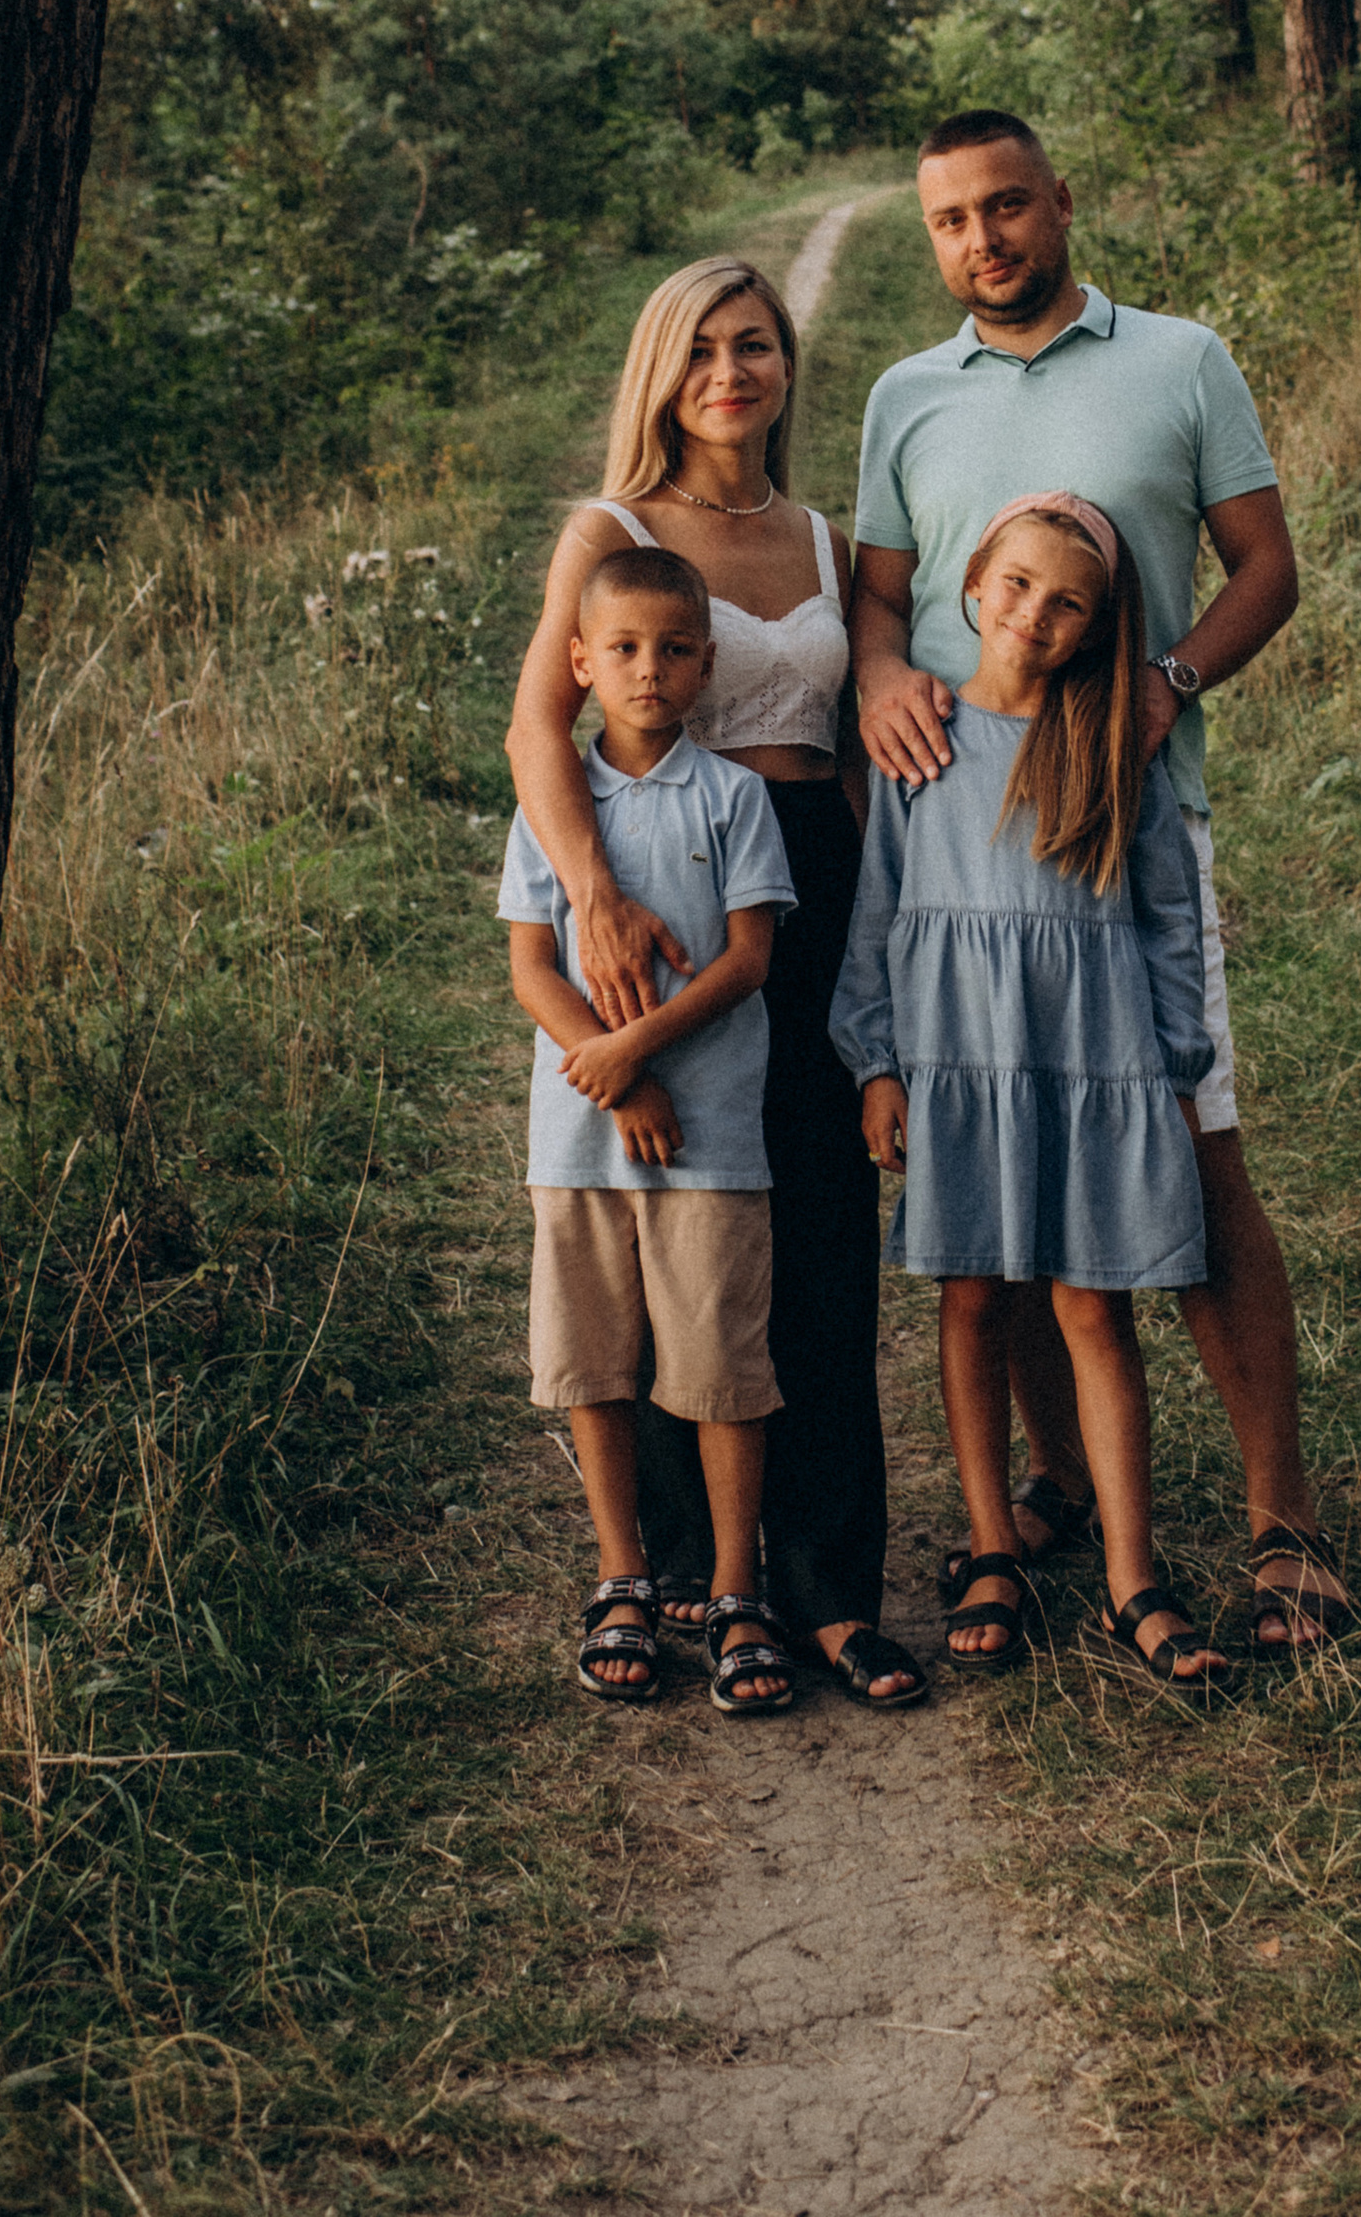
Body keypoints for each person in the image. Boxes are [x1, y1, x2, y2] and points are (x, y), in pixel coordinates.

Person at [851, 109, 1354, 1659]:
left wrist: (1174, 679)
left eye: (1006, 205)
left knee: (1194, 1151)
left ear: (1060, 203)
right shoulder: (905, 396)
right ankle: (1050, 1491)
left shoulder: (1181, 359)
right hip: (951, 842)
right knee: (993, 1167)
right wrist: (879, 674)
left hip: (1127, 831)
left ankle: (1285, 1523)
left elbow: (1266, 562)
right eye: (950, 220)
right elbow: (880, 595)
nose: (982, 237)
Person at [505, 256, 926, 1711]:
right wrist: (593, 894)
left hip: (802, 882)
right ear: (660, 374)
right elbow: (537, 727)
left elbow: (867, 731)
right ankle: (683, 1570)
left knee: (812, 1232)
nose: (729, 373)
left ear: (786, 362)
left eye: (753, 345)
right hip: (659, 893)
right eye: (700, 351)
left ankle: (823, 1588)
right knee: (666, 1218)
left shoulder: (823, 537)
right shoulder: (613, 529)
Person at [833, 494, 1228, 1696]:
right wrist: (879, 1061)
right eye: (1016, 588)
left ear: (1098, 624)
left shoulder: (1112, 745)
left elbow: (1168, 920)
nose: (1035, 616)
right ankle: (993, 1548)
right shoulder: (922, 737)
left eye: (1068, 603)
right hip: (961, 1056)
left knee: (1095, 1312)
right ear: (971, 588)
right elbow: (878, 916)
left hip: (1091, 1058)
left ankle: (1129, 1576)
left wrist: (1172, 1067)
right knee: (972, 1303)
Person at [501, 538, 798, 1717]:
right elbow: (532, 968)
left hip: (713, 1137)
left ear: (707, 663)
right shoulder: (550, 803)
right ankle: (620, 1571)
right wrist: (616, 1078)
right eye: (622, 649)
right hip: (579, 1142)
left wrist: (643, 1047)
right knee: (596, 1361)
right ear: (579, 661)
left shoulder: (733, 797)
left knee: (721, 1364)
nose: (648, 670)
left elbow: (749, 958)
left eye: (675, 650)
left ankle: (735, 1585)